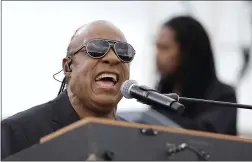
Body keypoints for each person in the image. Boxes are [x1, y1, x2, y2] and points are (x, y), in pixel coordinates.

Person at [1, 20, 136, 160]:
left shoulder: (138, 140)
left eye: (123, 52)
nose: (113, 58)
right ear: (68, 67)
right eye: (96, 49)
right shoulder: (16, 133)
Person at [152, 15, 237, 135]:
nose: (157, 55)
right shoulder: (163, 91)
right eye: (156, 47)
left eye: (164, 48)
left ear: (187, 53)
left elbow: (208, 135)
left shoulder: (223, 96)